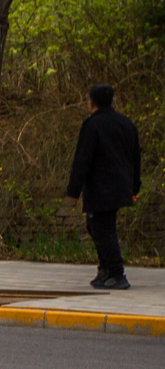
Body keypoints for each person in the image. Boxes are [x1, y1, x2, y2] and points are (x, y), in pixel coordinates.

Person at [65, 83, 140, 290]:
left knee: (102, 228)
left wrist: (73, 191)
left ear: (91, 103)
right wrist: (135, 187)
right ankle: (105, 268)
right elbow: (135, 158)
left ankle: (116, 272)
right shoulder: (126, 124)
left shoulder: (92, 126)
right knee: (96, 226)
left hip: (101, 188)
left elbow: (83, 160)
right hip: (121, 185)